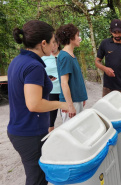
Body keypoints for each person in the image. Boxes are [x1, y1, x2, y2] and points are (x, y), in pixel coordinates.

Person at [7, 20, 68, 185]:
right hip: (29, 133)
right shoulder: (34, 66)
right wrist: (62, 104)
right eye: (52, 41)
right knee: (37, 179)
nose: (54, 45)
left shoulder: (18, 61)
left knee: (38, 177)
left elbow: (22, 88)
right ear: (43, 43)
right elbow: (34, 104)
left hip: (21, 130)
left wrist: (44, 81)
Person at [95, 19, 121, 96]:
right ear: (111, 31)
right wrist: (105, 69)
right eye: (114, 33)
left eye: (119, 32)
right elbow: (97, 61)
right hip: (108, 87)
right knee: (107, 108)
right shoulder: (105, 43)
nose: (117, 35)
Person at [56, 24, 88, 123]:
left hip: (76, 100)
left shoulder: (71, 55)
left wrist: (81, 97)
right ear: (71, 37)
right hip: (71, 102)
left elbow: (75, 80)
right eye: (77, 35)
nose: (79, 38)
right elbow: (64, 83)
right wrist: (70, 106)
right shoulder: (65, 56)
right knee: (72, 133)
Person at [42, 37, 61, 132]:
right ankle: (49, 141)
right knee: (50, 120)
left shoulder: (64, 55)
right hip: (51, 91)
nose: (53, 47)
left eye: (55, 44)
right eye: (51, 44)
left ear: (58, 44)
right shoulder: (44, 58)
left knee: (69, 118)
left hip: (64, 91)